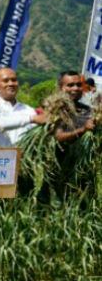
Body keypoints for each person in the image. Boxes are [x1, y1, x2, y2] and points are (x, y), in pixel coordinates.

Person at [40, 71, 97, 205]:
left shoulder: (88, 110)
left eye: (78, 85)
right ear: (60, 88)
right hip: (58, 172)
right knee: (55, 212)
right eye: (70, 85)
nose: (76, 88)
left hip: (81, 173)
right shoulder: (55, 110)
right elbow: (59, 136)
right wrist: (83, 129)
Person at [0, 68, 46, 197]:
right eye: (5, 81)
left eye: (14, 80)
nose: (11, 83)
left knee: (23, 204)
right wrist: (31, 119)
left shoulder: (28, 109)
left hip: (24, 167)